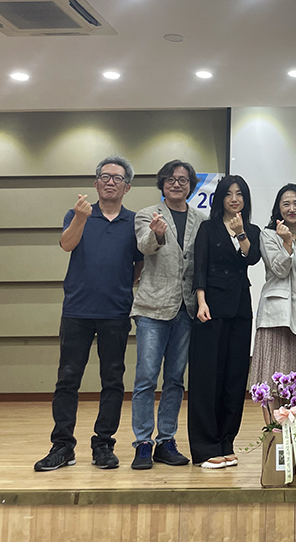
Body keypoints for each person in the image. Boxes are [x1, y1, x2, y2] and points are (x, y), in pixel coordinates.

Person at [34, 156, 143, 471]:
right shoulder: (77, 213)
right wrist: (81, 219)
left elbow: (139, 264)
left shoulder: (134, 222)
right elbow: (67, 245)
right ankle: (62, 446)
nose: (110, 182)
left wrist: (120, 286)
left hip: (116, 311)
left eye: (117, 178)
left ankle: (103, 445)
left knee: (113, 380)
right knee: (67, 379)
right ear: (96, 184)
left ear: (127, 187)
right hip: (77, 310)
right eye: (105, 177)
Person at [130, 159, 205, 470]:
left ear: (191, 186)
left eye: (183, 180)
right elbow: (144, 247)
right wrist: (157, 235)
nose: (177, 184)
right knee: (146, 378)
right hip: (152, 307)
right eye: (171, 179)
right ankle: (142, 443)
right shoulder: (147, 214)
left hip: (186, 309)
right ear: (162, 183)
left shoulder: (202, 219)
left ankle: (166, 440)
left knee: (175, 379)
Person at [187, 175, 261, 468]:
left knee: (234, 377)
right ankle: (205, 447)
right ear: (220, 198)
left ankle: (226, 441)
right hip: (212, 308)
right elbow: (200, 266)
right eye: (229, 193)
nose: (234, 199)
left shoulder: (251, 230)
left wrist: (241, 233)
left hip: (240, 308)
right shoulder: (208, 228)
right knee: (207, 377)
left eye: (239, 194)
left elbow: (252, 258)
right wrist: (201, 301)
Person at [249, 183, 296, 418]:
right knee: (271, 379)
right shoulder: (268, 234)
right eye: (286, 204)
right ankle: (273, 432)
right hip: (276, 316)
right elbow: (279, 270)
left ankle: (292, 435)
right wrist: (288, 244)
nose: (292, 208)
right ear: (278, 208)